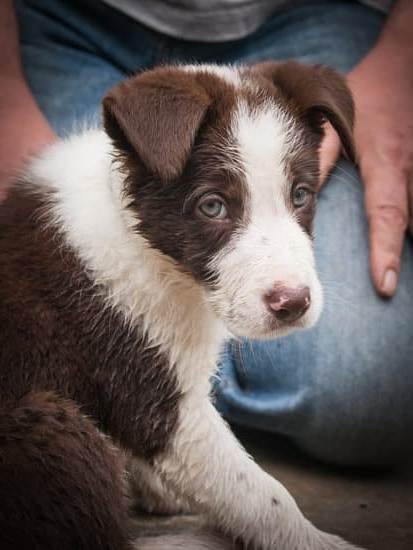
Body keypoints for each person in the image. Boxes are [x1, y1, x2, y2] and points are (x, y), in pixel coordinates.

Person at [1, 0, 412, 467]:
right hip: (62, 25)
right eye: (214, 205)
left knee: (370, 397)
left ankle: (145, 402)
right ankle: (158, 404)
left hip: (313, 16)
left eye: (300, 196)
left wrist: (404, 55)